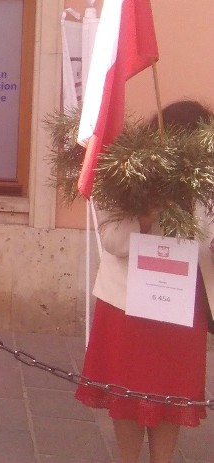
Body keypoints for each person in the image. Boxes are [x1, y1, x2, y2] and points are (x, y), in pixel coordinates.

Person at [75, 100, 214, 463]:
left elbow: (206, 240)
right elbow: (114, 242)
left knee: (172, 395)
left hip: (183, 302)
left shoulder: (207, 179)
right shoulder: (124, 175)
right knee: (129, 396)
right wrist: (148, 215)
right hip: (128, 303)